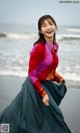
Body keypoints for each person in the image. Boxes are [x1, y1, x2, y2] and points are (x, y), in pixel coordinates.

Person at [0, 15, 72, 133]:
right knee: (17, 116)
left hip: (46, 84)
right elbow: (32, 74)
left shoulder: (55, 46)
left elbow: (47, 69)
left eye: (50, 24)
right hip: (35, 87)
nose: (48, 27)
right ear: (40, 30)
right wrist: (43, 93)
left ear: (55, 26)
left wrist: (58, 78)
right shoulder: (38, 48)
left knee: (41, 118)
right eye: (44, 25)